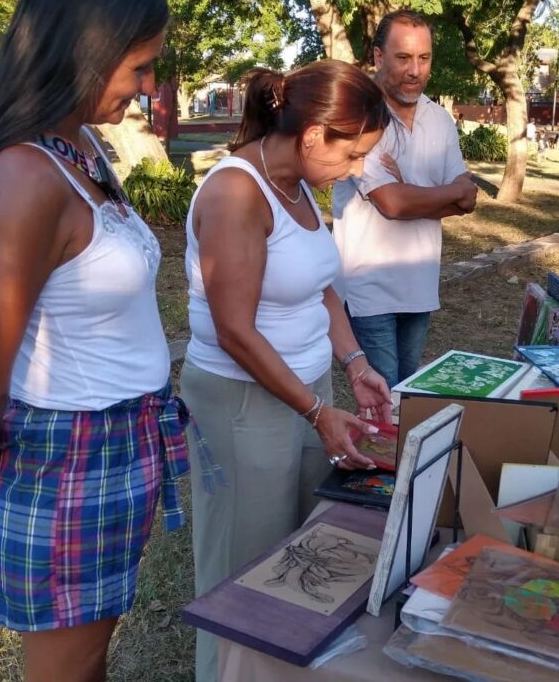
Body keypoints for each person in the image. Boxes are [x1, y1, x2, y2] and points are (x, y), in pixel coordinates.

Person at [0, 0, 193, 682]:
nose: (147, 83)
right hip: (70, 460)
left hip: (119, 446)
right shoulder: (24, 176)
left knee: (89, 655)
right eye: (138, 65)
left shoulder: (80, 149)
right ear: (85, 52)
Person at [181, 60, 394, 682]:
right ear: (312, 134)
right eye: (351, 154)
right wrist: (312, 409)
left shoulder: (300, 182)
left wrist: (354, 365)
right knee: (244, 570)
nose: (355, 170)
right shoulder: (236, 191)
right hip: (244, 402)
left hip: (307, 396)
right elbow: (234, 330)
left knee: (306, 551)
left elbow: (320, 286)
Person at [332, 9, 478, 388]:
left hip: (421, 285)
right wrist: (443, 196)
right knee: (384, 402)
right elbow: (392, 204)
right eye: (403, 58)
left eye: (423, 58)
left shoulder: (440, 119)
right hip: (369, 289)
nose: (415, 70)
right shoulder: (360, 115)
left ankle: (397, 451)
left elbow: (468, 200)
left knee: (409, 393)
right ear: (379, 57)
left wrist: (411, 191)